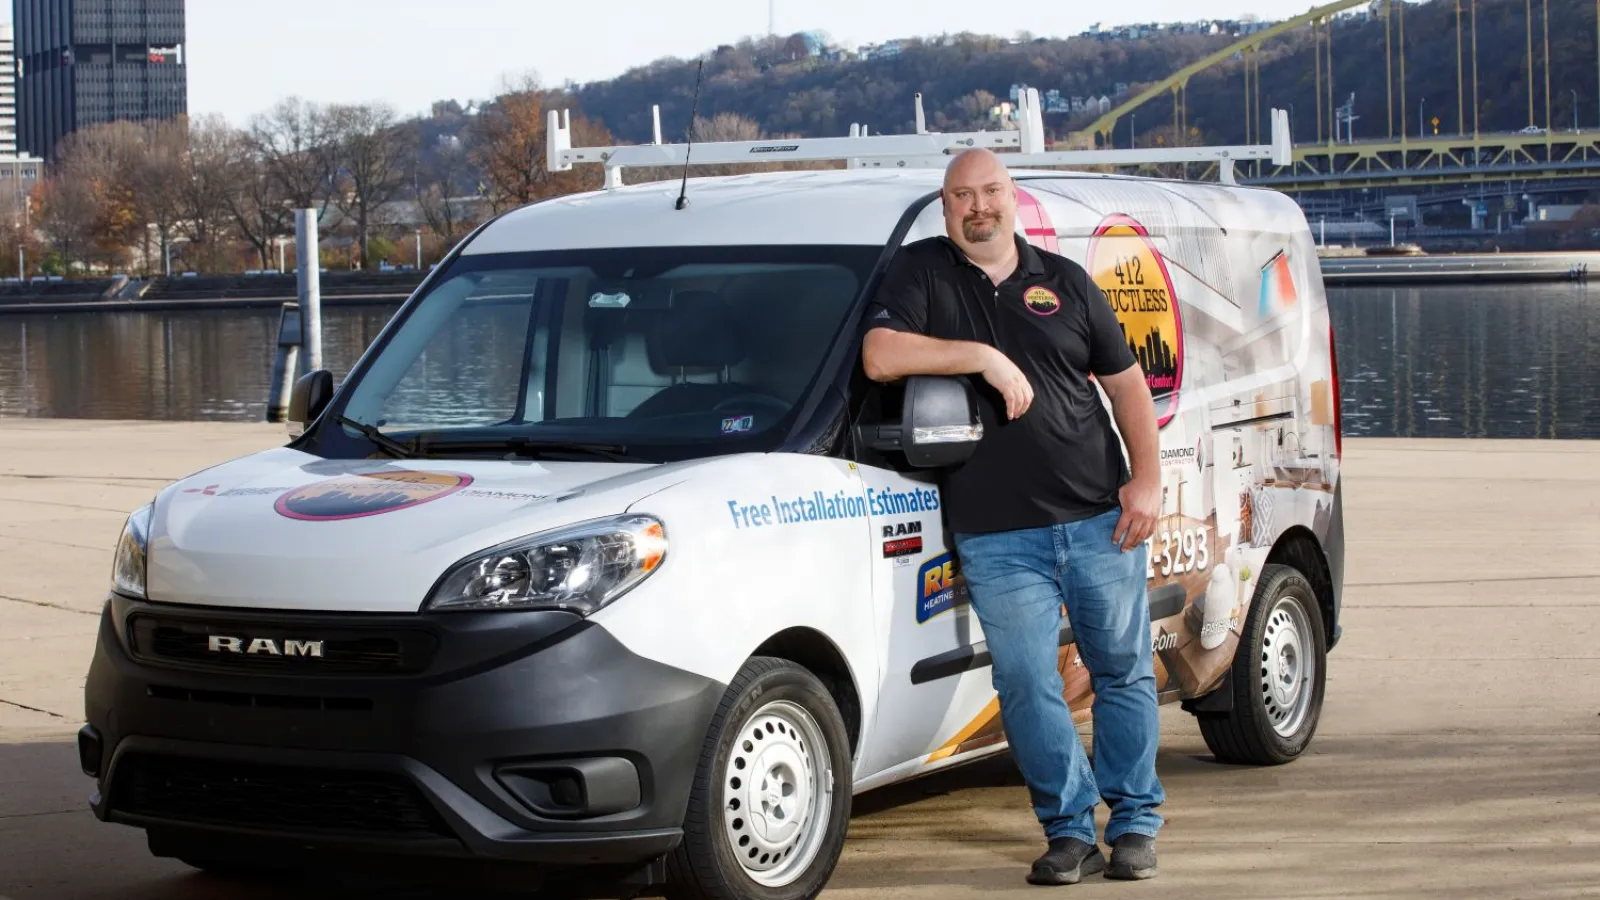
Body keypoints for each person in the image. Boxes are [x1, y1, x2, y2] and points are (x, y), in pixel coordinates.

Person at [860, 148, 1165, 884]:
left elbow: (1127, 390)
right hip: (998, 536)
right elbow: (878, 356)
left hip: (1099, 516)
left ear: (1012, 197)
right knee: (1027, 684)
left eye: (990, 190)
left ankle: (1133, 824)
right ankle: (1068, 831)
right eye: (961, 195)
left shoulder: (1065, 282)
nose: (977, 207)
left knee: (1122, 671)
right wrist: (981, 359)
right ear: (945, 205)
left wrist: (1147, 481)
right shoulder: (922, 273)